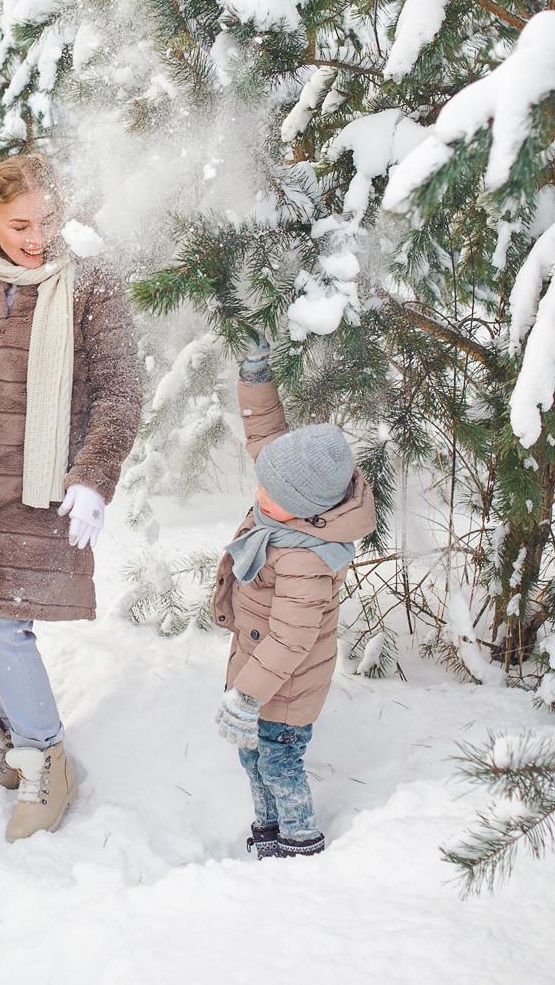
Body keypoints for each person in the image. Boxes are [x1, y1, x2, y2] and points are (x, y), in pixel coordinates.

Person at [0, 153, 142, 841]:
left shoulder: (90, 280)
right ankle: (20, 743)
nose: (37, 236)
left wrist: (93, 475)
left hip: (41, 487)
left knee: (2, 622)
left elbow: (118, 390)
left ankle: (49, 760)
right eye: (20, 222)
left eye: (48, 219)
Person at [210, 340, 377, 859]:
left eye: (269, 494)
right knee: (250, 758)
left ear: (302, 507)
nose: (258, 495)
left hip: (285, 689)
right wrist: (256, 377)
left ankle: (299, 838)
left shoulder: (307, 558)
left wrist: (247, 696)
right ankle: (267, 827)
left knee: (278, 761)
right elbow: (266, 434)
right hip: (259, 675)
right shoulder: (288, 496)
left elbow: (290, 638)